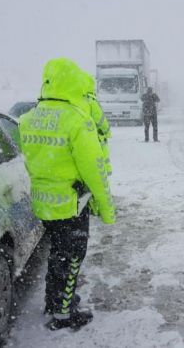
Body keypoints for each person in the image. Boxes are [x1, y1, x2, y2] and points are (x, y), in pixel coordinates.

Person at [18, 58, 116, 331]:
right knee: (72, 256)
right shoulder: (77, 121)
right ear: (74, 83)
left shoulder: (28, 118)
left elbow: (29, 161)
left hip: (44, 203)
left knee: (57, 253)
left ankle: (54, 299)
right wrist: (106, 207)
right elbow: (94, 170)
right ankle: (64, 312)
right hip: (71, 204)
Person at [80, 71, 112, 176]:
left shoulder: (75, 100)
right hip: (93, 135)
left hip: (79, 137)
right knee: (101, 152)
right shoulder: (91, 101)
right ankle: (105, 172)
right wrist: (107, 132)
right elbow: (101, 120)